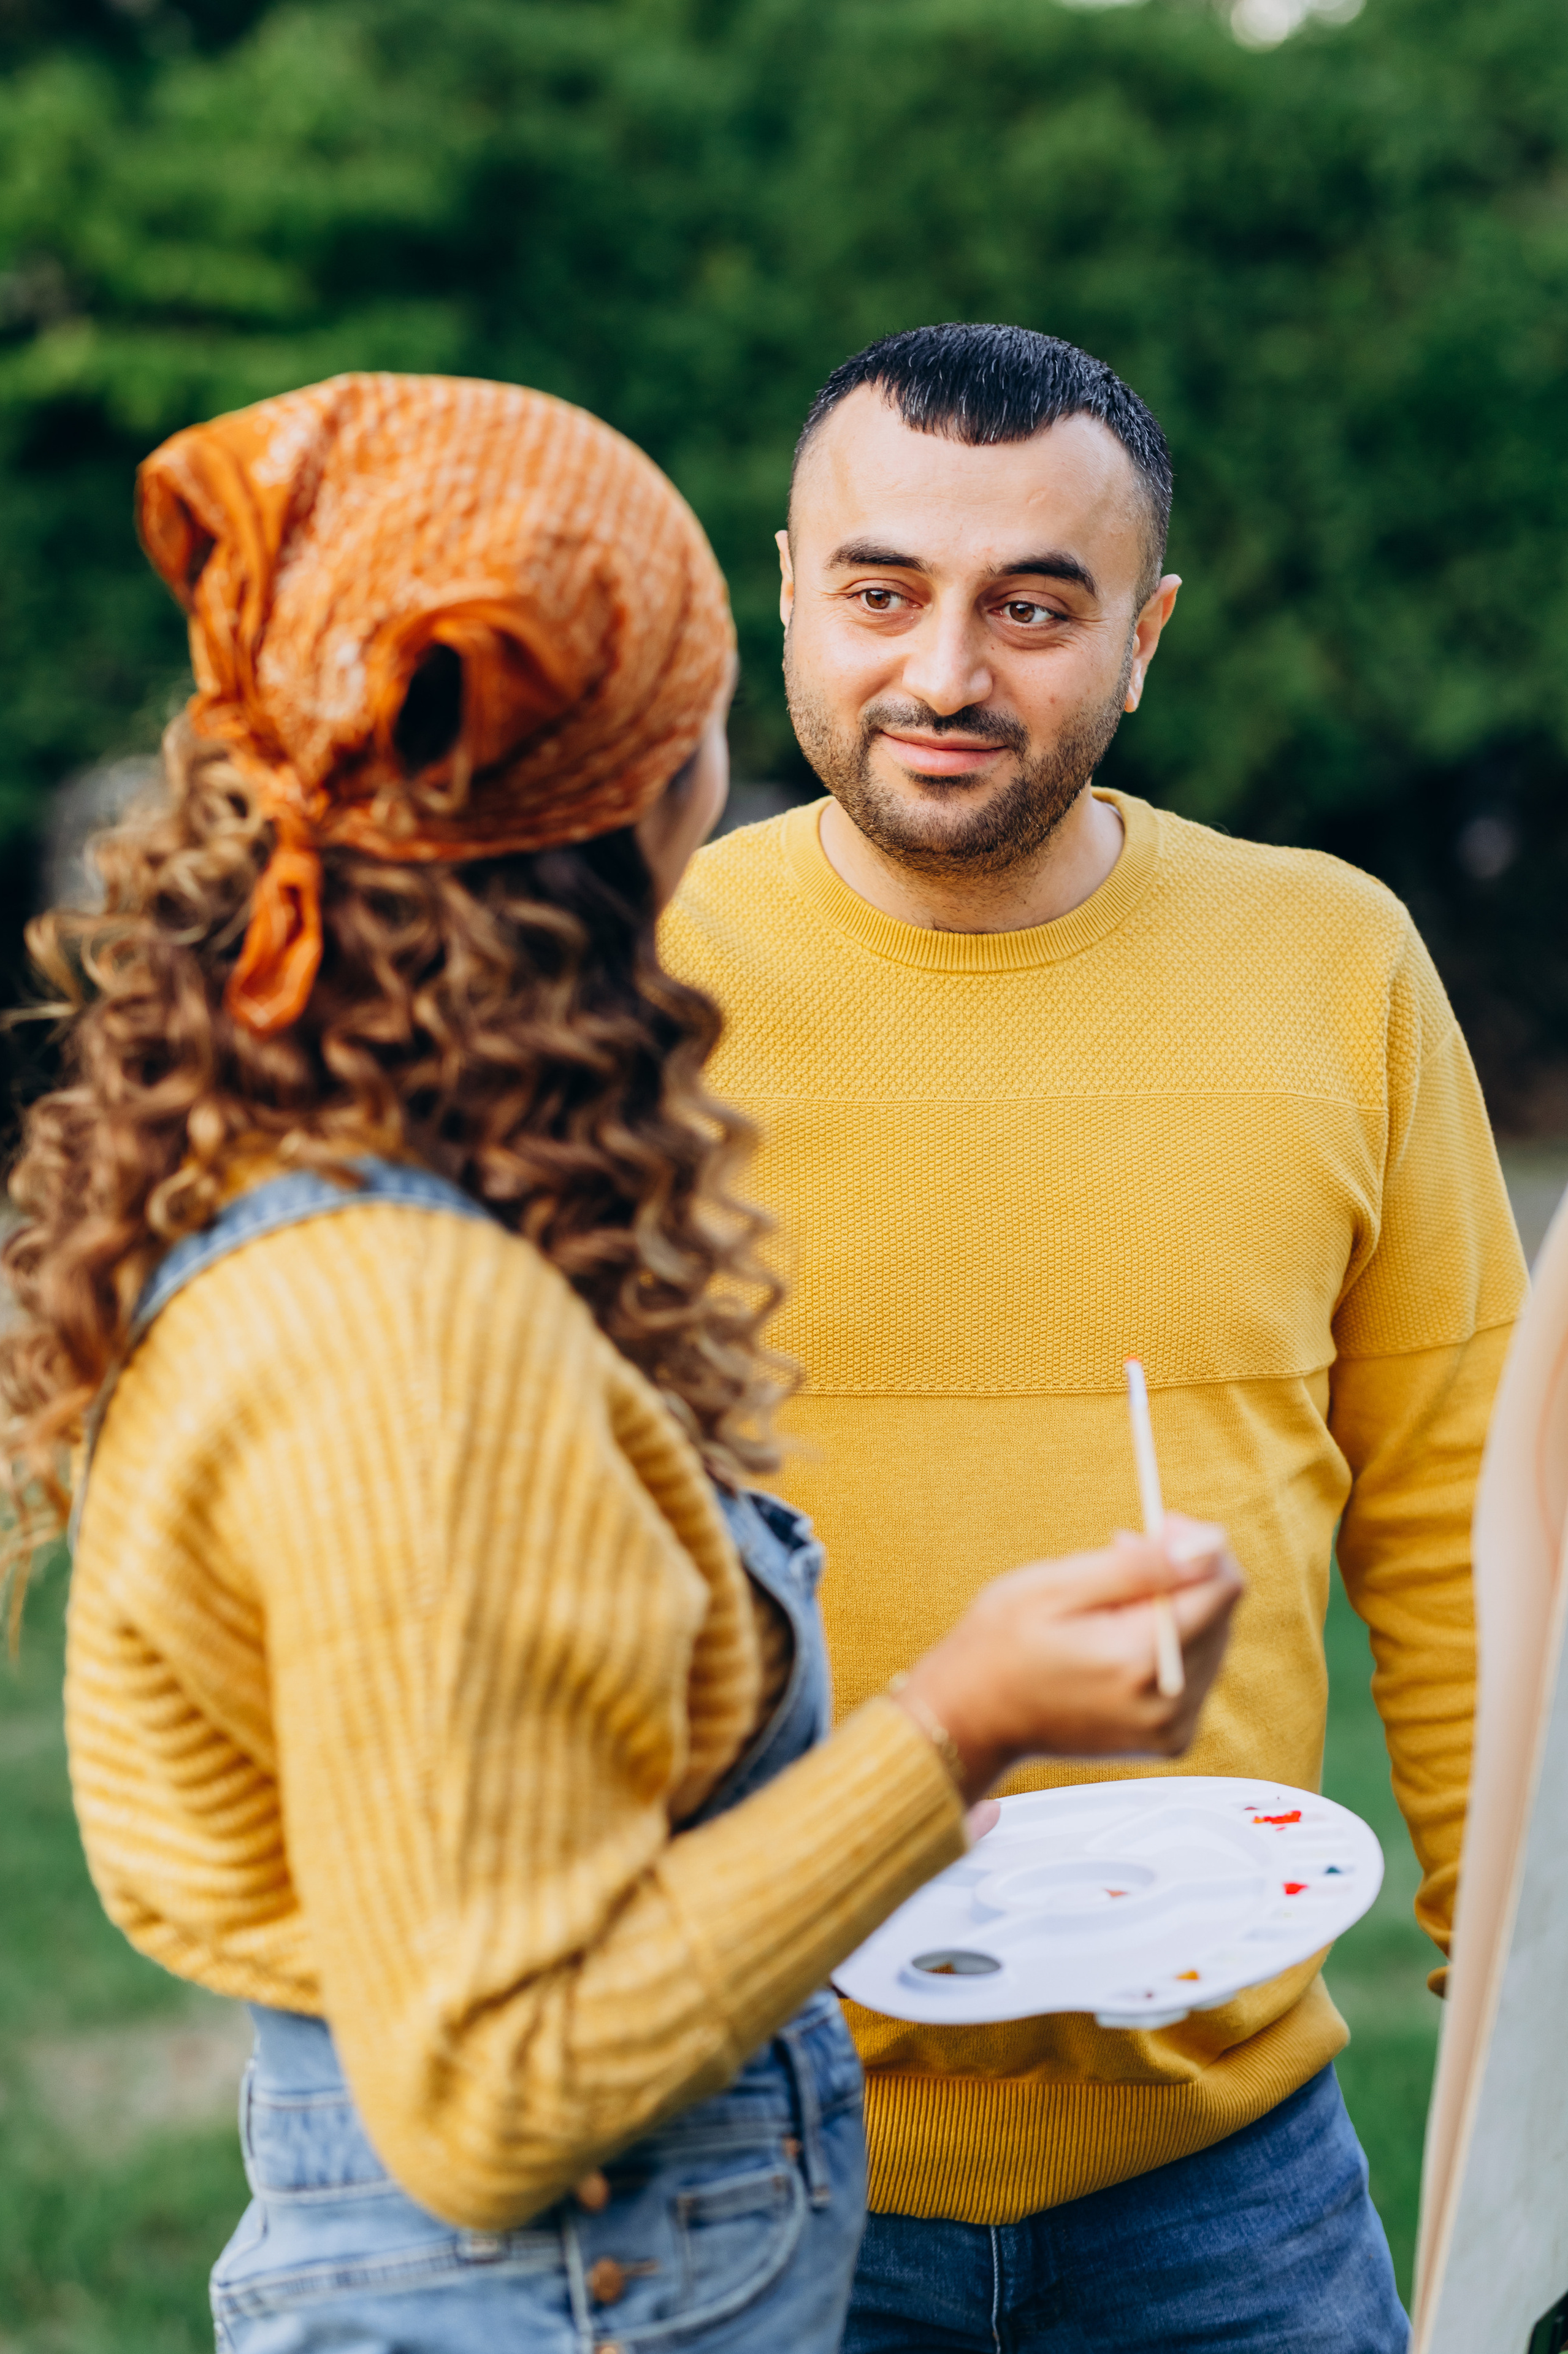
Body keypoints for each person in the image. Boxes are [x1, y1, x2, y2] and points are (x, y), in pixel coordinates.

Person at [0, 372, 1241, 2354]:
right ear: (646, 789)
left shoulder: (348, 1192)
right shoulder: (408, 1342)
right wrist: (963, 1725)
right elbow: (502, 2089)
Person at [661, 321, 1529, 2351]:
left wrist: (1524, 2039)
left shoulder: (1338, 962)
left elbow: (1466, 1536)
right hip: (733, 2160)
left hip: (1225, 2187)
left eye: (1034, 607)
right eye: (883, 592)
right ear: (784, 589)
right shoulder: (629, 987)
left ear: (1143, 637)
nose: (948, 672)